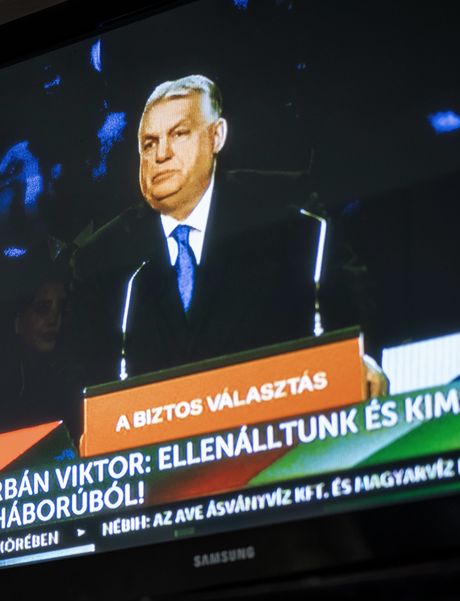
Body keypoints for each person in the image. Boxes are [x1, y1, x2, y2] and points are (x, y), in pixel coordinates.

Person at [70, 75, 369, 385]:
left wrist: (361, 359)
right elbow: (81, 377)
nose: (161, 155)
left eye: (179, 134)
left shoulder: (287, 215)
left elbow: (351, 305)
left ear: (217, 136)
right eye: (149, 143)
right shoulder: (102, 257)